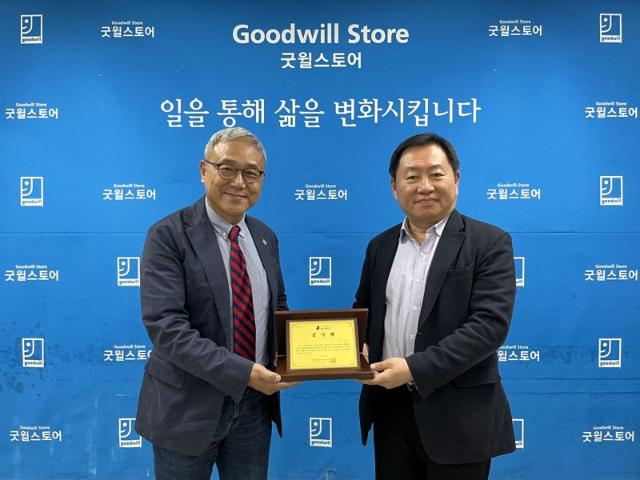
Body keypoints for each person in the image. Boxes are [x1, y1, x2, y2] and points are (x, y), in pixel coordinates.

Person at [135, 127, 295, 480]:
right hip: (186, 407)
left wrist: (303, 355)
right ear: (204, 170)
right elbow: (167, 329)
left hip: (253, 407)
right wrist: (243, 372)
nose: (239, 181)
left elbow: (277, 308)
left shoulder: (265, 237)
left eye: (251, 173)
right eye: (227, 168)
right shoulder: (167, 236)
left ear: (261, 180)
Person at [353, 133, 516, 480]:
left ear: (455, 179)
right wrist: (355, 347)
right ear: (395, 187)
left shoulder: (489, 243)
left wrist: (414, 369)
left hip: (460, 417)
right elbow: (363, 309)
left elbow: (488, 327)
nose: (425, 186)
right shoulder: (380, 247)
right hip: (390, 410)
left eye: (436, 174)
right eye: (412, 176)